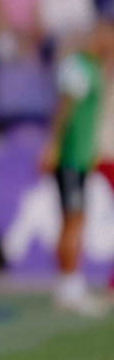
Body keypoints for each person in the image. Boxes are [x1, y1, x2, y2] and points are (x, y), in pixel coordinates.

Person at [39, 26, 113, 316]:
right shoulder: (78, 66)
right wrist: (52, 146)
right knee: (71, 220)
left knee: (76, 219)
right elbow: (64, 108)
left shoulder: (94, 67)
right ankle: (69, 286)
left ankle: (71, 284)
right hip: (70, 156)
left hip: (82, 157)